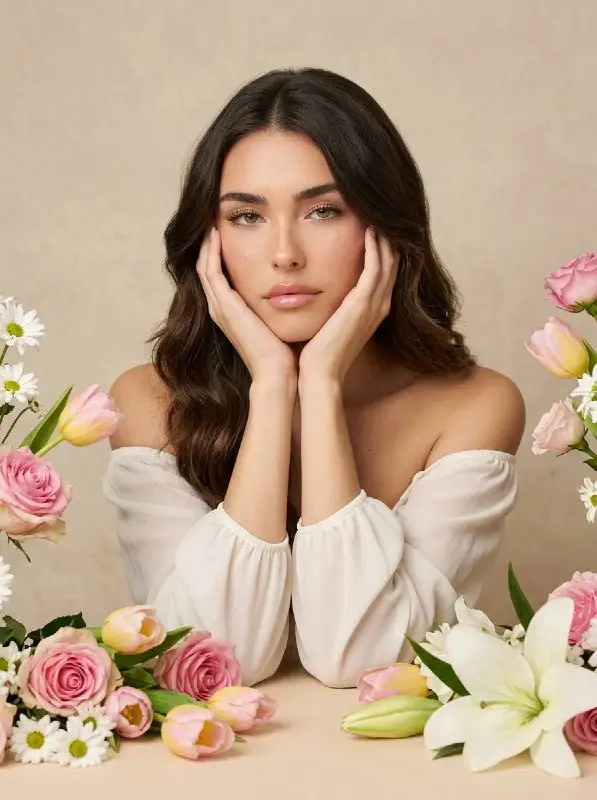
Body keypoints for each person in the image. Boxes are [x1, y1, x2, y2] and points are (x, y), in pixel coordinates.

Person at [102, 67, 525, 689]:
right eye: (246, 216)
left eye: (323, 211)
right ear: (208, 238)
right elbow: (221, 659)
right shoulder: (147, 401)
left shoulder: (474, 406)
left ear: (384, 227)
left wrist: (319, 384)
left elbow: (363, 661)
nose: (284, 254)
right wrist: (273, 385)